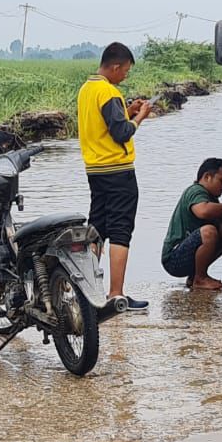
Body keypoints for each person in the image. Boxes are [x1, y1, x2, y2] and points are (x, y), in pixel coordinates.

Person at [76, 42, 152, 308]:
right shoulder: (108, 92)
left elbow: (104, 124)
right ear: (116, 66)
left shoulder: (87, 89)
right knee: (120, 230)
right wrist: (139, 117)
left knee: (97, 228)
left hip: (95, 170)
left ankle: (87, 291)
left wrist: (126, 112)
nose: (126, 76)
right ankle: (116, 294)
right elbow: (122, 133)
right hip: (118, 171)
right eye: (126, 71)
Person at [161, 157, 222, 291]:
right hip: (173, 259)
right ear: (207, 177)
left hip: (186, 256)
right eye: (221, 181)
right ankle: (200, 278)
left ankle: (194, 277)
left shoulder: (212, 200)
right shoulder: (196, 191)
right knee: (209, 232)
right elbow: (202, 211)